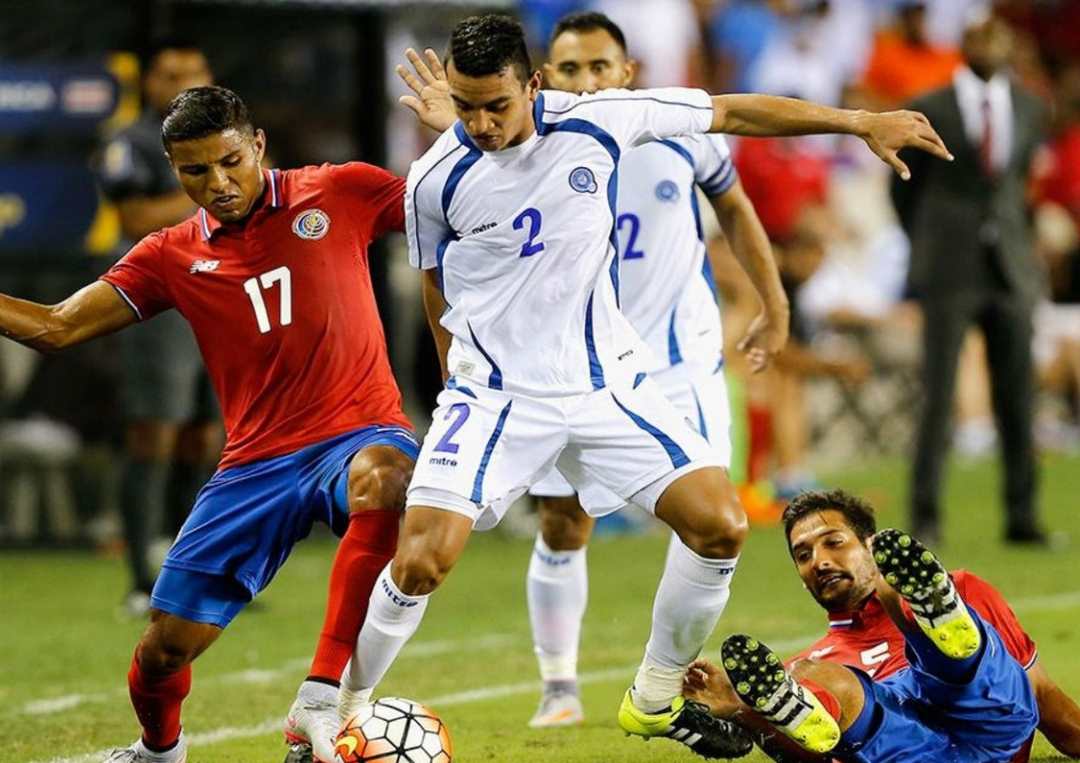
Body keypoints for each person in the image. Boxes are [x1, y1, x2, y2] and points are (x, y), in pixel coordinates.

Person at [343, 13, 950, 758]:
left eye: (496, 106)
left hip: (607, 388)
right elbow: (438, 294)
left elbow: (732, 111)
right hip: (498, 396)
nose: (481, 124)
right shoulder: (436, 176)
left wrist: (858, 120)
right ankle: (342, 708)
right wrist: (455, 386)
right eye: (465, 108)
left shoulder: (602, 122)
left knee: (720, 523)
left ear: (531, 87)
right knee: (421, 561)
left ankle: (654, 694)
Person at [0, 85, 417, 763]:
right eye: (196, 171)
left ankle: (322, 696)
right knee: (163, 650)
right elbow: (56, 326)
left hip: (356, 432)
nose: (218, 183)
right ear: (174, 169)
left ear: (258, 145)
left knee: (391, 480)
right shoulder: (169, 254)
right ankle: (158, 750)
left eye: (231, 162)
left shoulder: (340, 191)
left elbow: (451, 208)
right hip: (254, 465)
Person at [521, 10, 787, 728]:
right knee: (562, 522)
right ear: (546, 79)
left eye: (600, 66)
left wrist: (772, 300)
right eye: (570, 69)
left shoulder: (679, 130)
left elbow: (733, 206)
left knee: (712, 523)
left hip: (678, 365)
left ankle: (660, 686)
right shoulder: (527, 147)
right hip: (576, 369)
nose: (587, 82)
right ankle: (559, 685)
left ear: (628, 72)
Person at [684, 489, 1080, 761]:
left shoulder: (962, 588)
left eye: (833, 542)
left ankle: (944, 631)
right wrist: (741, 711)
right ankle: (940, 636)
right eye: (803, 555)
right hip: (915, 754)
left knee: (900, 600)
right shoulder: (812, 666)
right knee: (822, 681)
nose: (819, 561)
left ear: (869, 545)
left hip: (993, 724)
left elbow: (1044, 697)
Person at [891, 11, 1048, 545]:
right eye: (981, 34)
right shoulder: (929, 106)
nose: (990, 43)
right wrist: (930, 241)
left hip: (1009, 267)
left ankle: (1023, 516)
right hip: (949, 266)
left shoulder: (1030, 107)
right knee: (937, 396)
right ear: (964, 44)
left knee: (1018, 396)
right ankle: (925, 517)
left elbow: (1017, 185)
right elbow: (904, 188)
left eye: (999, 34)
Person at [94, 37, 221, 617]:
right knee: (155, 433)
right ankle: (141, 576)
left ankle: (194, 568)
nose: (183, 83)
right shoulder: (132, 142)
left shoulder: (226, 133)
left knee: (209, 437)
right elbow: (135, 218)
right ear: (149, 84)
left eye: (193, 71)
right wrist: (208, 191)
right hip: (161, 299)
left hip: (221, 296)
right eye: (171, 74)